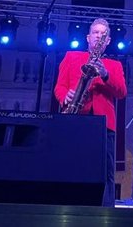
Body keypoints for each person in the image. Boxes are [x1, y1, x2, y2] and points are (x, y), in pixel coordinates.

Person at [54, 18, 127, 207]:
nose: (99, 36)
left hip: (104, 125)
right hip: (75, 118)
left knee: (106, 172)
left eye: (103, 34)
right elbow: (59, 87)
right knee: (71, 165)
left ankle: (105, 213)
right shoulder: (71, 57)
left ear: (108, 41)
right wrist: (65, 96)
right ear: (88, 37)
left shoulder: (114, 65)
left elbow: (121, 92)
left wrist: (105, 74)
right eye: (96, 33)